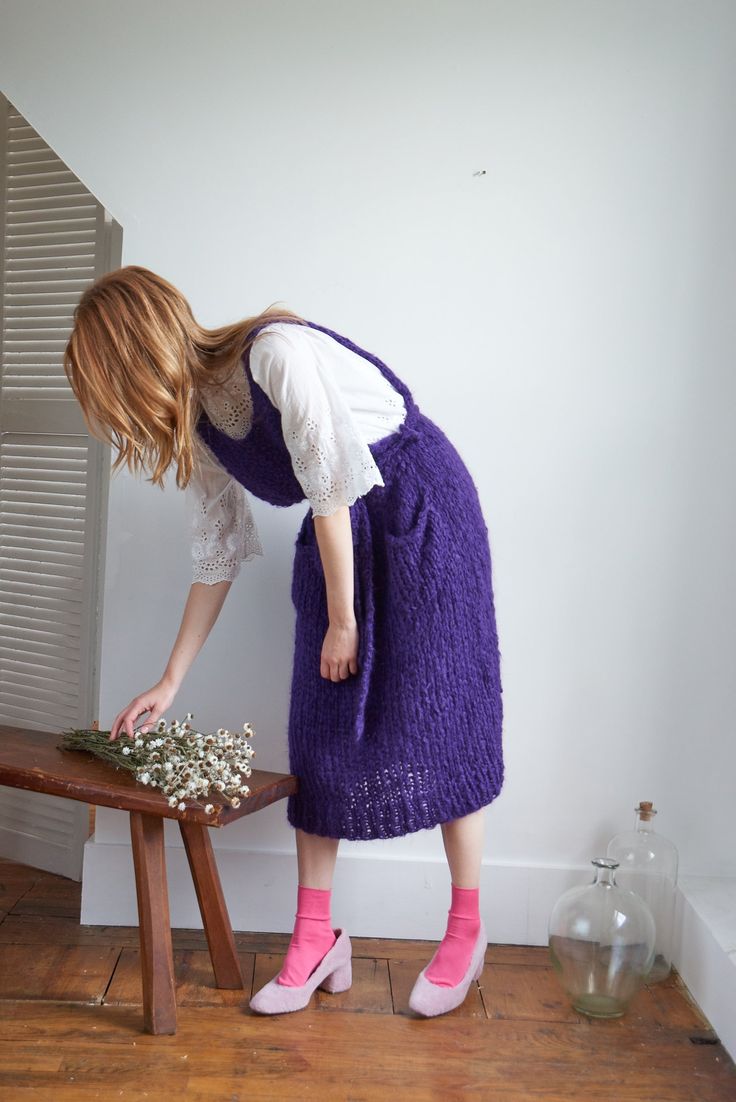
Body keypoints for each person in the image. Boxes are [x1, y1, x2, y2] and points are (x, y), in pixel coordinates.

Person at [63, 264, 505, 1018]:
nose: (120, 414)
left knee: (445, 715)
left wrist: (344, 620)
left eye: (111, 390)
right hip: (344, 537)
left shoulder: (275, 356)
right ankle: (315, 939)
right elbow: (220, 552)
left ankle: (467, 928)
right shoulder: (199, 423)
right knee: (320, 732)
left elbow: (330, 485)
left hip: (423, 508)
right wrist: (170, 680)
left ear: (135, 356)